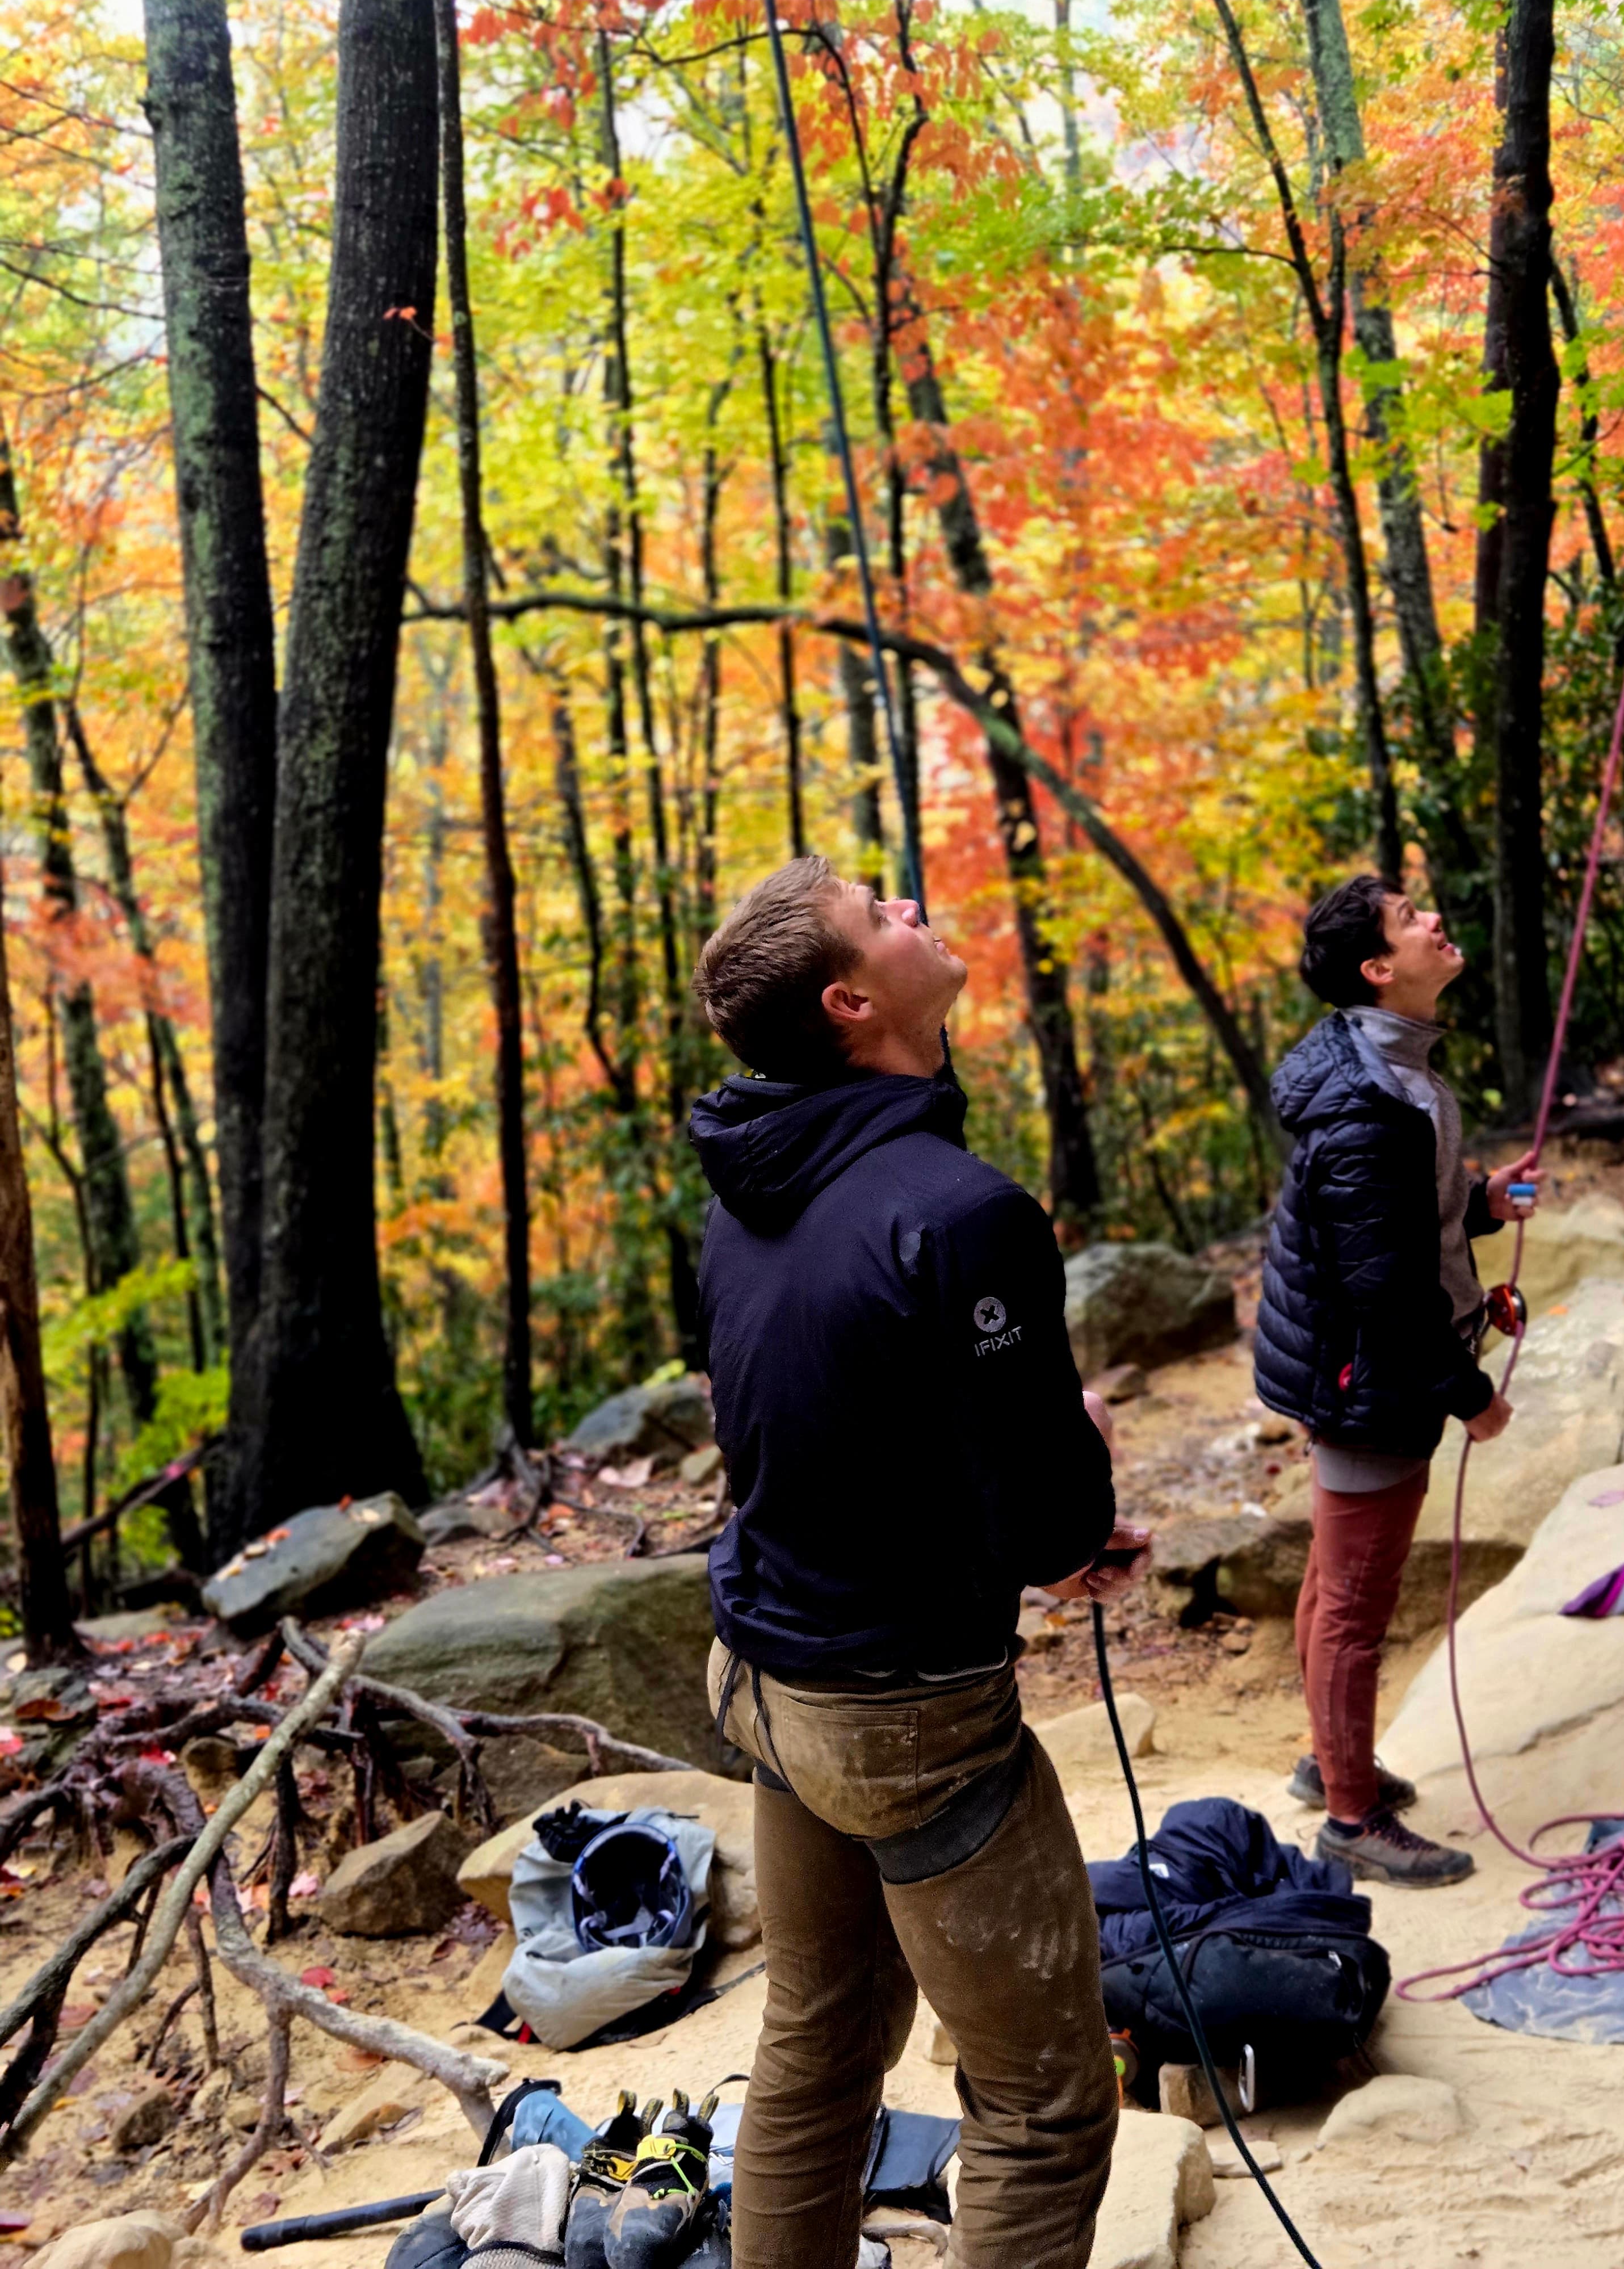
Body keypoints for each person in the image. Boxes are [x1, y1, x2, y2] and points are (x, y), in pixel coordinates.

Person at [687, 855, 1145, 2269]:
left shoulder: (746, 1187)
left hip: (764, 1670)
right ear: (851, 999)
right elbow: (1063, 1524)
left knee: (817, 2039)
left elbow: (825, 1411)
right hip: (906, 1719)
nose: (908, 905)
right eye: (875, 911)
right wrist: (1071, 1487)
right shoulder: (961, 1212)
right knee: (1044, 2105)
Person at [1253, 874, 1543, 1888]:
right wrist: (1472, 1393)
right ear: (1380, 971)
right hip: (1369, 1379)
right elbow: (1381, 1286)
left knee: (1338, 1581)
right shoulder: (1371, 1106)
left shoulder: (1388, 1073)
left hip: (1361, 1363)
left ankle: (1330, 1761)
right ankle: (1350, 1815)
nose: (1432, 919)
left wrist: (1481, 1211)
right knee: (1354, 1603)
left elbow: (1397, 1223)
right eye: (1408, 919)